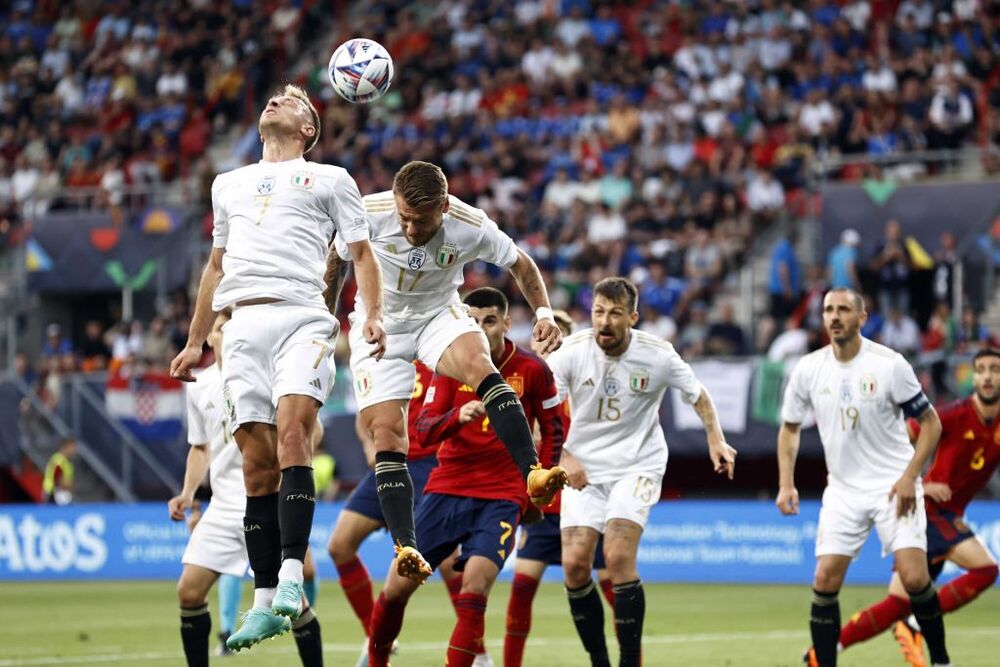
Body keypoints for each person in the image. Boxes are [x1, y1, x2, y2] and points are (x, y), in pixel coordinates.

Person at [170, 83, 387, 651]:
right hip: (240, 328)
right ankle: (266, 600)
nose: (273, 103)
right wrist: (196, 341)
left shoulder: (332, 180)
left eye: (290, 103)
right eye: (271, 99)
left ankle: (291, 576)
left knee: (294, 435)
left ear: (308, 129)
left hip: (301, 317)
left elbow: (359, 253)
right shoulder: (228, 184)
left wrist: (372, 316)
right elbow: (215, 267)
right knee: (256, 465)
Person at [328, 160, 567, 584]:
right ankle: (406, 547)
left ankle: (533, 472)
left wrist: (544, 312)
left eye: (421, 221)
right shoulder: (369, 211)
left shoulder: (469, 224)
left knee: (480, 365)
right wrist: (326, 323)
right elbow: (336, 260)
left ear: (443, 207)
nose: (410, 229)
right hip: (377, 322)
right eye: (404, 217)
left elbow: (521, 263)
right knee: (388, 433)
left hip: (438, 314)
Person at [365, 287, 565, 667]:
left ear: (506, 323)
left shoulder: (533, 370)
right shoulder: (450, 366)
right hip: (448, 487)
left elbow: (555, 428)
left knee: (475, 587)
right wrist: (457, 418)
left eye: (489, 321)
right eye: (472, 321)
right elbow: (423, 430)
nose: (481, 329)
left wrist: (539, 491)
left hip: (503, 494)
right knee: (395, 588)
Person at [545, 277, 737, 667]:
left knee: (616, 557)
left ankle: (630, 661)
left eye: (615, 313)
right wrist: (563, 457)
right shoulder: (570, 352)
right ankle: (599, 660)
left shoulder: (658, 355)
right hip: (582, 467)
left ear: (632, 317)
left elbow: (697, 394)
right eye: (599, 312)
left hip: (637, 464)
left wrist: (715, 439)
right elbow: (539, 414)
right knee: (575, 565)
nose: (604, 321)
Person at [777, 288, 952, 667]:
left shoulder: (889, 364)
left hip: (893, 483)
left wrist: (910, 477)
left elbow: (930, 424)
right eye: (828, 310)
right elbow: (790, 428)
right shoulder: (808, 368)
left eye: (843, 309)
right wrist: (786, 483)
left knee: (915, 576)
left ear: (861, 317)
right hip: (842, 489)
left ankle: (940, 660)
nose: (834, 316)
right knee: (824, 579)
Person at [168, 311, 325, 667]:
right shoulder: (202, 385)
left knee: (295, 606)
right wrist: (188, 493)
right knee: (188, 592)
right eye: (221, 329)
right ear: (210, 337)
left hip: (266, 504)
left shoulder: (271, 376)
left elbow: (309, 434)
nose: (228, 334)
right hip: (223, 508)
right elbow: (200, 446)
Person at [836, 348, 1000, 665]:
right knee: (986, 569)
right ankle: (915, 625)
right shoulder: (952, 415)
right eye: (981, 369)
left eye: (995, 369)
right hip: (929, 511)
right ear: (974, 377)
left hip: (946, 515)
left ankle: (827, 647)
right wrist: (920, 482)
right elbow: (894, 443)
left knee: (898, 602)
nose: (989, 376)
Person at [504, 309, 616, 667]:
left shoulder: (587, 389)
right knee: (521, 591)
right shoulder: (527, 384)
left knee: (616, 590)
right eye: (546, 337)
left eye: (560, 337)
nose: (552, 344)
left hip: (586, 504)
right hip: (546, 508)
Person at [326, 360, 434, 666]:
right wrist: (367, 444)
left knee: (447, 563)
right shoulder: (382, 355)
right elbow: (365, 412)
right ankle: (371, 635)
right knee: (339, 545)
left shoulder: (440, 351)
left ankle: (479, 651)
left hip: (429, 464)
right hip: (391, 462)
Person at [42, 437, 76, 505]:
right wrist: (67, 485)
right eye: (72, 447)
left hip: (59, 493)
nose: (74, 450)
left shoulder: (66, 461)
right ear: (67, 446)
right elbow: (58, 479)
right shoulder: (59, 461)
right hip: (55, 494)